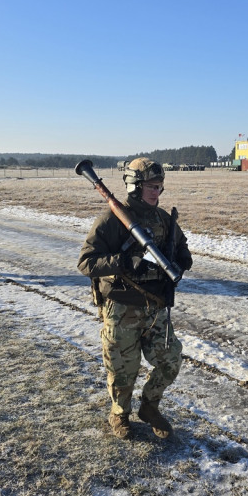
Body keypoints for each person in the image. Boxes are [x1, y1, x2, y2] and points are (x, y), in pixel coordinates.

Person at [78, 158, 192, 439]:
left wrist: (182, 260)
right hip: (122, 308)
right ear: (135, 186)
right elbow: (86, 263)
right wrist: (126, 262)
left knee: (170, 360)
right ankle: (120, 414)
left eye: (160, 187)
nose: (157, 193)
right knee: (122, 371)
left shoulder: (164, 219)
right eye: (152, 187)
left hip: (156, 308)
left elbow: (181, 247)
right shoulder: (112, 220)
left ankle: (150, 406)